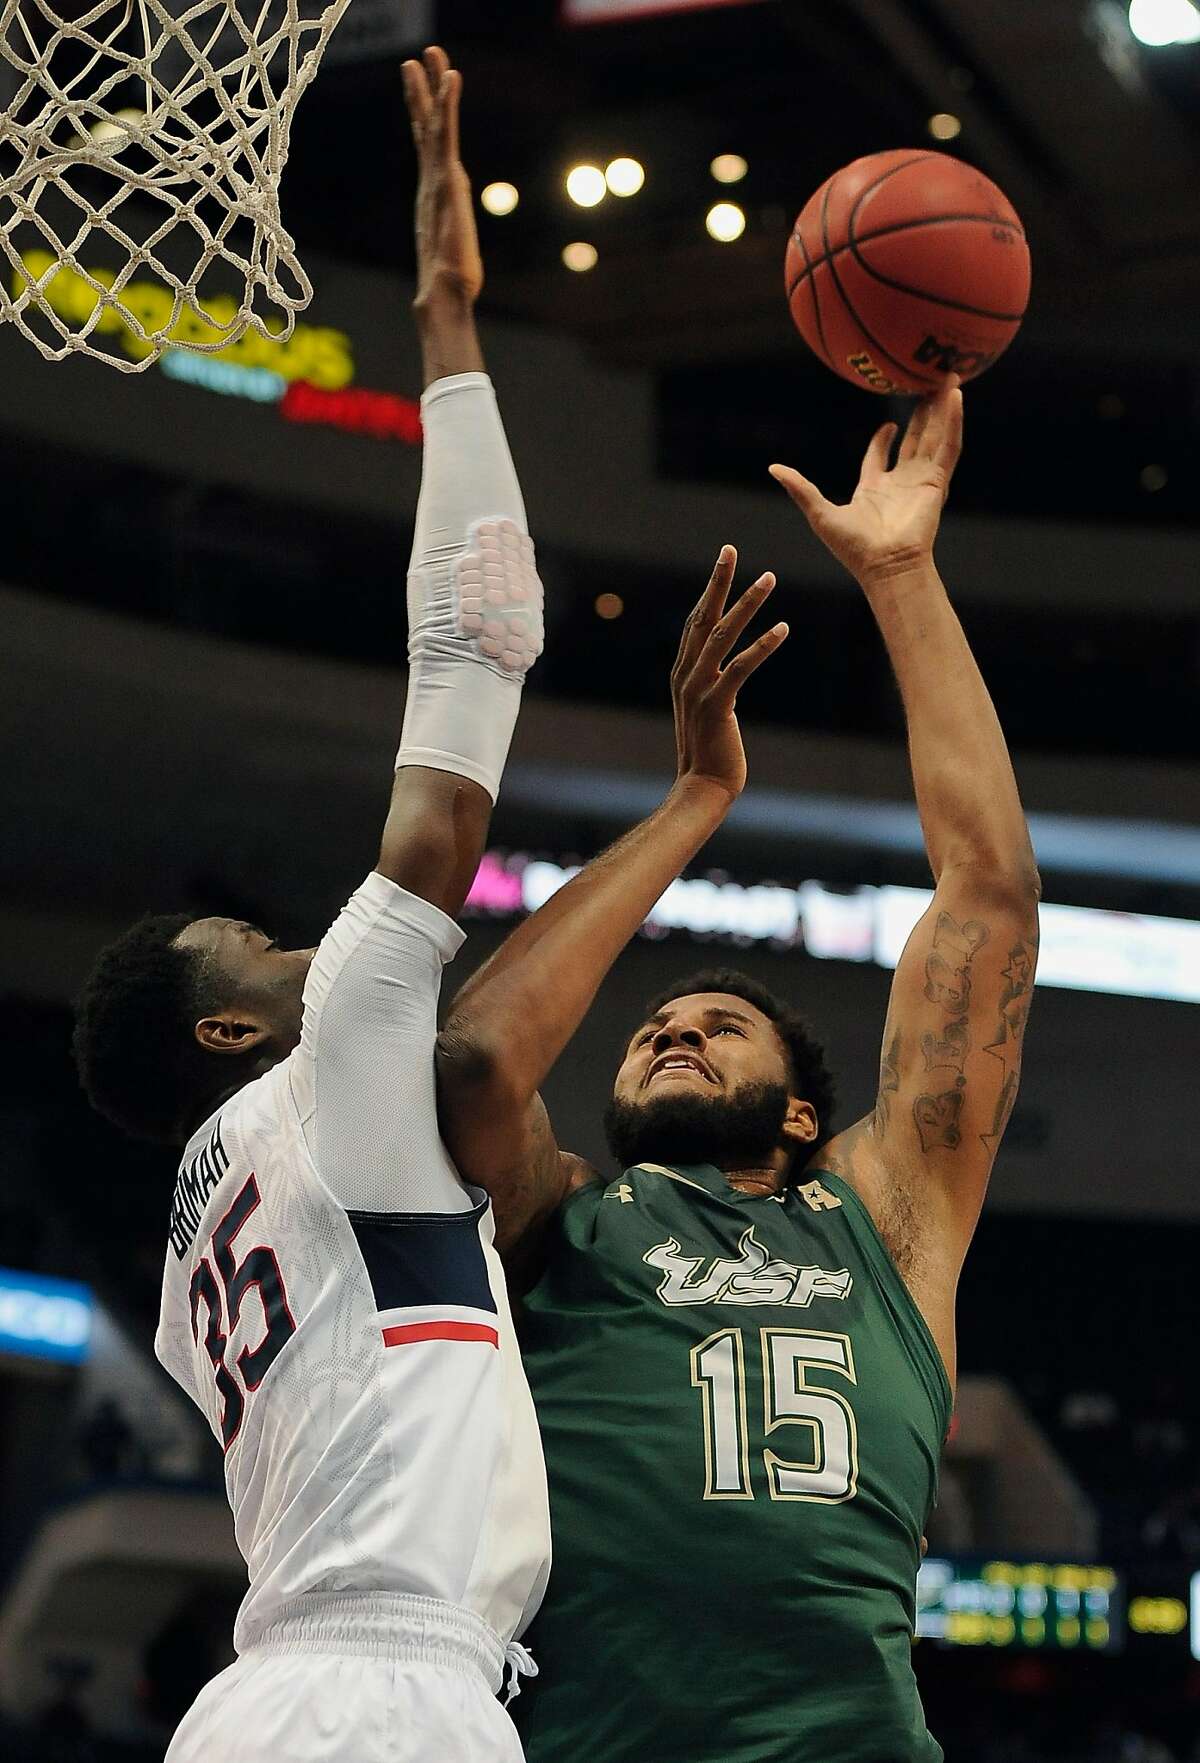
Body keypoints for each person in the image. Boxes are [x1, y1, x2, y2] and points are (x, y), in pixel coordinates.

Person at [436, 381, 1040, 1763]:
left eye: (719, 1024)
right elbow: (473, 1061)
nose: (670, 1030)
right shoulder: (557, 1218)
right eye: (654, 1027)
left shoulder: (889, 1218)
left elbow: (989, 897)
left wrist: (900, 576)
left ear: (808, 1110)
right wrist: (690, 806)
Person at [71, 47, 552, 1763]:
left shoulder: (208, 1235)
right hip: (381, 1698)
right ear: (229, 1026)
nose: (310, 951)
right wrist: (446, 334)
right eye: (267, 954)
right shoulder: (329, 1067)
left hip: (286, 1691)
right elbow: (475, 647)